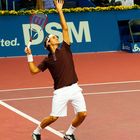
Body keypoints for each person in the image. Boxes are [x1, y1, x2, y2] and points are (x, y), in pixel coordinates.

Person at [24, 0, 87, 140]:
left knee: (83, 114)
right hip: (60, 92)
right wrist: (29, 55)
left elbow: (65, 28)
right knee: (53, 117)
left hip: (75, 88)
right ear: (48, 43)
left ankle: (69, 133)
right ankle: (37, 131)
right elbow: (34, 71)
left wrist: (59, 10)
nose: (55, 36)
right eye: (53, 37)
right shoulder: (47, 60)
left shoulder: (65, 48)